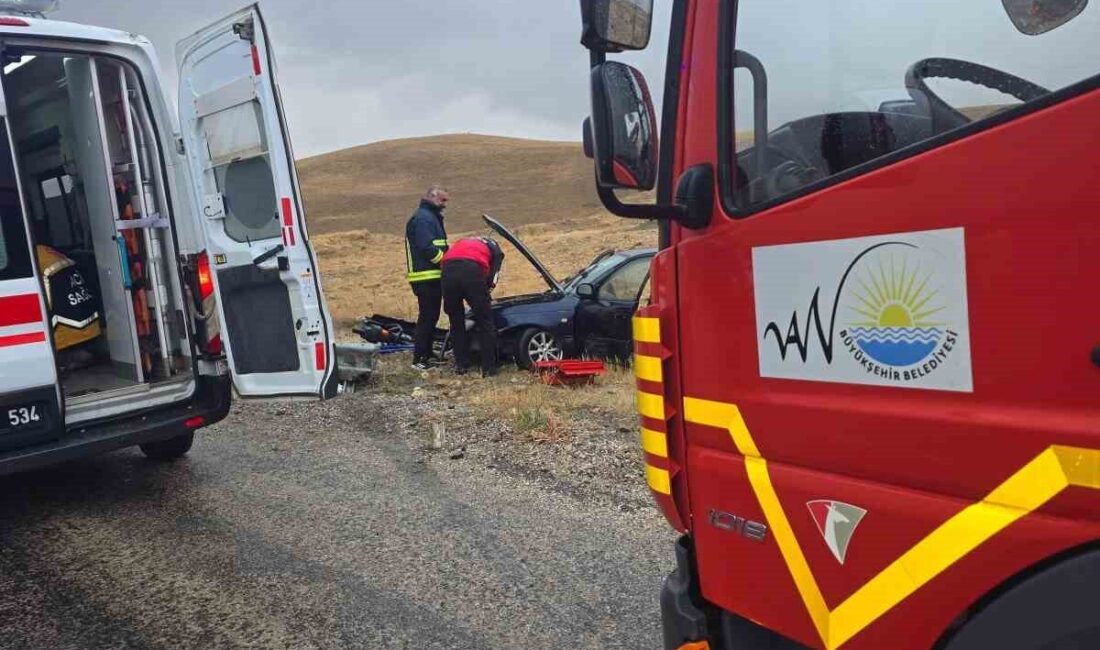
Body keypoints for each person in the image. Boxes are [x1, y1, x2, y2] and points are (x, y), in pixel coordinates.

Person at [440, 236, 504, 377]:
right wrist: (485, 296)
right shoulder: (496, 251)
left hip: (447, 271)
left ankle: (461, 365)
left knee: (456, 321)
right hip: (471, 270)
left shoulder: (464, 242)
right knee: (485, 320)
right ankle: (489, 368)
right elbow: (492, 277)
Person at [35, 244, 102, 372]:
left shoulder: (32, 257)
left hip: (68, 335)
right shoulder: (45, 251)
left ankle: (71, 359)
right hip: (88, 327)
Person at [404, 185, 449, 371]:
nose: (445, 204)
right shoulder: (423, 218)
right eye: (442, 200)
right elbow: (426, 247)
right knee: (427, 318)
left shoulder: (429, 217)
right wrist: (446, 262)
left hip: (432, 277)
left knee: (432, 317)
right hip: (426, 277)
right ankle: (419, 359)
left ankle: (428, 354)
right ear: (432, 197)